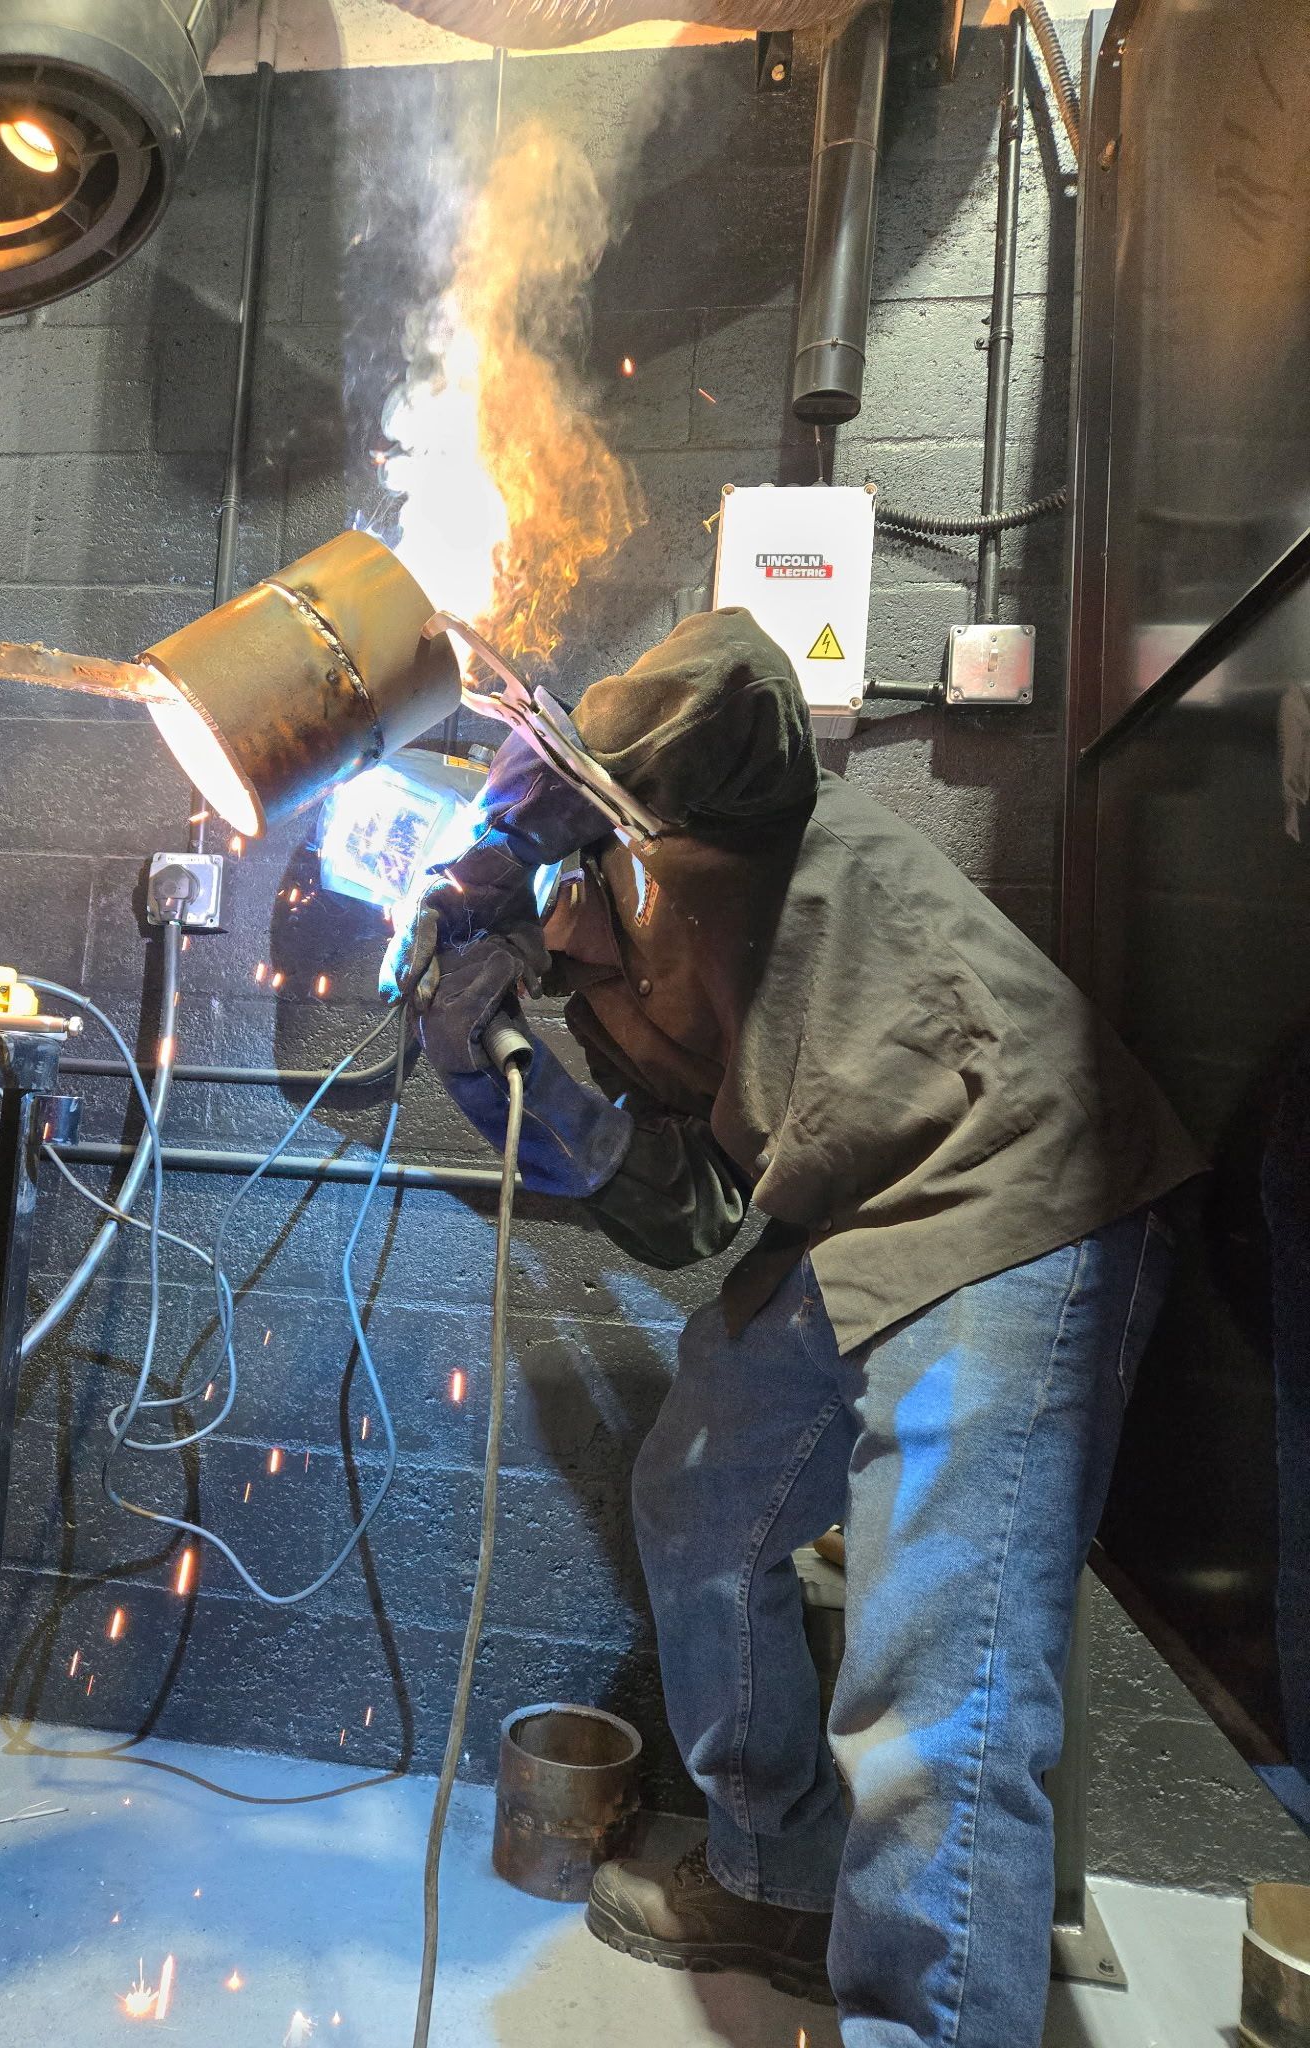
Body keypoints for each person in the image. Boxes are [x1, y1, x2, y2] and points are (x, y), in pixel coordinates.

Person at [382, 608, 1202, 2048]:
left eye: (528, 869)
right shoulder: (600, 992)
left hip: (1014, 1181)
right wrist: (482, 1057)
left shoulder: (704, 803)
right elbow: (691, 1213)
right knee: (701, 1494)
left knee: (935, 1698)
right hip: (860, 1225)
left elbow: (742, 677)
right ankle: (780, 1872)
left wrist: (517, 816)